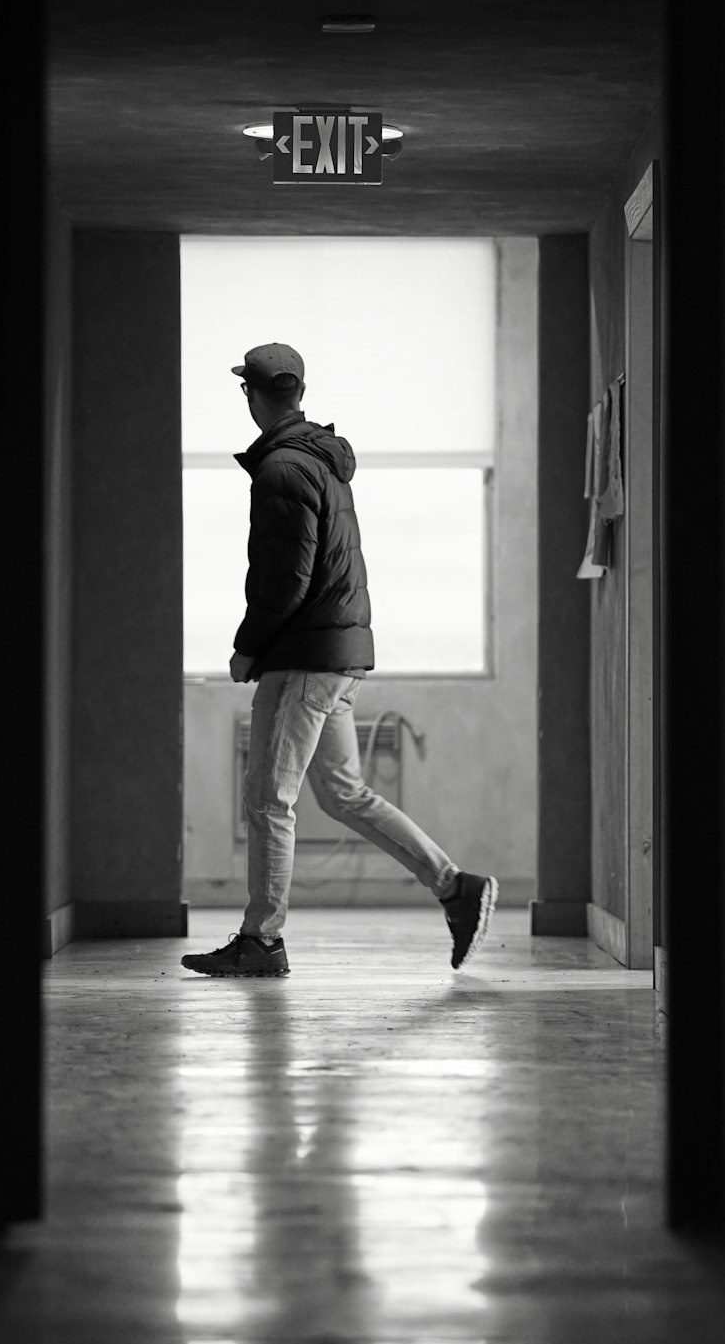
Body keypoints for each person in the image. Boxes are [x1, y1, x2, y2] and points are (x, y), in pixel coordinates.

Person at [182, 342, 498, 979]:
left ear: (252, 394)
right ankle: (456, 888)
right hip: (337, 653)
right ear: (298, 393)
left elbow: (285, 579)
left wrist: (249, 645)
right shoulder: (322, 462)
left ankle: (261, 941)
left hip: (304, 657)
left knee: (270, 800)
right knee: (344, 795)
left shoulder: (281, 471)